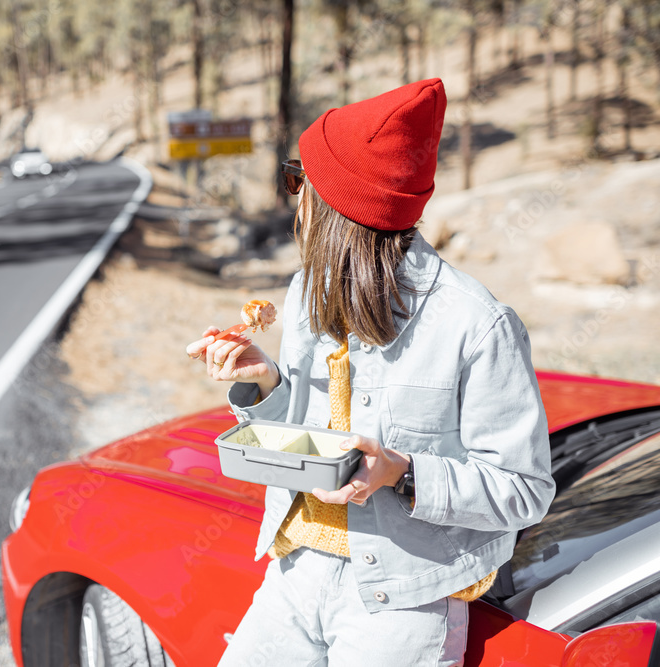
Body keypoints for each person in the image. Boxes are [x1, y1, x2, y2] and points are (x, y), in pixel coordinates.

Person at [185, 78, 556, 666]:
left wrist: (403, 474)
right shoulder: (308, 290)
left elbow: (524, 490)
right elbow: (308, 440)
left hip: (403, 602)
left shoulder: (477, 324)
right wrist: (265, 384)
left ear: (337, 207)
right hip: (295, 570)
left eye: (297, 181)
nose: (293, 197)